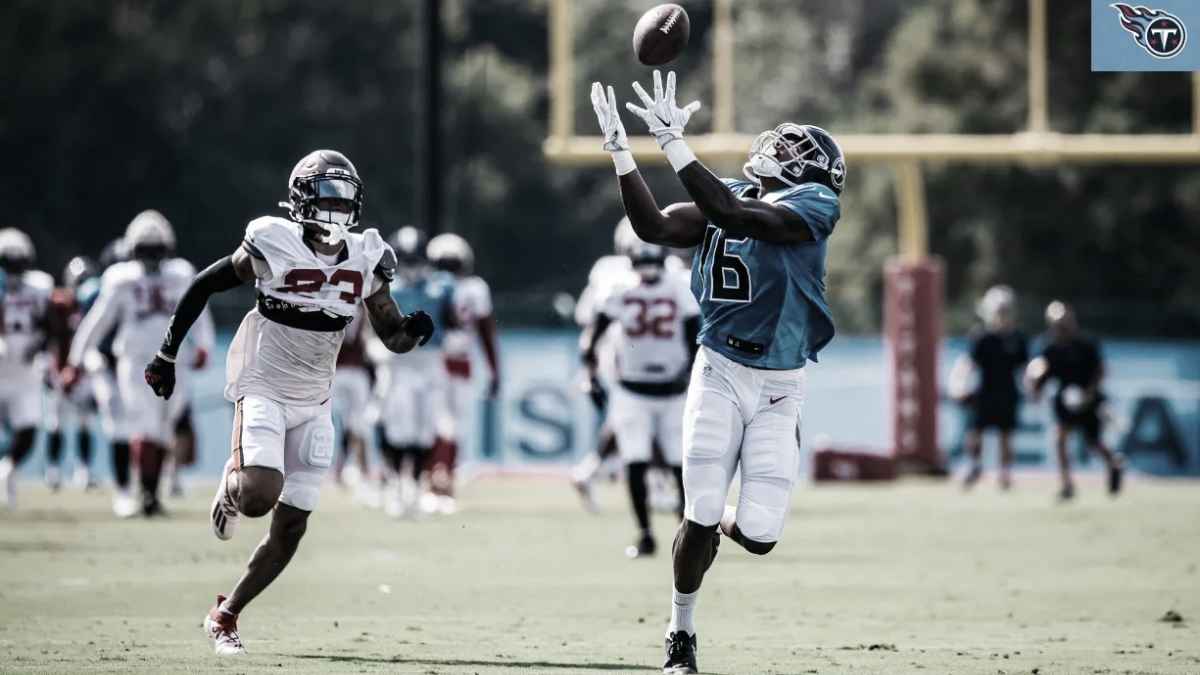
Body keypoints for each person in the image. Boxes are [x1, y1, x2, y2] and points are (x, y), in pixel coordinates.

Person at [590, 70, 844, 673]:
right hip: (719, 369)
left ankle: (718, 520)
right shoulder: (723, 194)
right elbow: (653, 227)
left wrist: (675, 143)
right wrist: (623, 154)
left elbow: (736, 214)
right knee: (699, 511)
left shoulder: (815, 205)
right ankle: (681, 630)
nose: (782, 153)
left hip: (781, 385)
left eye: (797, 152)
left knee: (757, 533)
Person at [141, 149, 434, 656]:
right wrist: (166, 354)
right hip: (264, 386)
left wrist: (413, 334)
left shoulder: (367, 254)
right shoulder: (272, 241)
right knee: (258, 495)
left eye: (345, 197)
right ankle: (232, 488)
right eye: (327, 195)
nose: (337, 208)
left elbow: (390, 335)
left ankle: (225, 613)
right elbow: (203, 285)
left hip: (316, 399)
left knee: (292, 525)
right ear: (301, 198)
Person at [65, 210, 214, 517]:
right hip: (135, 363)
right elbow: (98, 322)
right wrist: (76, 360)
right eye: (145, 250)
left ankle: (150, 493)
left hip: (175, 362)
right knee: (145, 428)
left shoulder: (181, 273)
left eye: (155, 249)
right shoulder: (120, 278)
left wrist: (204, 346)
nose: (150, 257)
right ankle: (146, 493)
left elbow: (197, 311)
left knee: (163, 430)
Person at [582, 238, 699, 558]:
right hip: (641, 388)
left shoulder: (620, 286)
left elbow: (593, 335)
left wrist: (589, 370)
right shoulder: (677, 284)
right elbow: (694, 334)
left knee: (668, 461)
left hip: (655, 388)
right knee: (646, 460)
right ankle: (654, 532)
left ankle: (667, 532)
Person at [372, 226, 456, 517]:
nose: (411, 267)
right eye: (406, 260)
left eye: (415, 260)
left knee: (425, 428)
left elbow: (452, 321)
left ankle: (418, 485)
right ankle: (396, 484)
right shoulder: (386, 287)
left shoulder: (441, 286)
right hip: (398, 362)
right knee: (397, 425)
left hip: (430, 361)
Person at [570, 219, 640, 512]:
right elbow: (590, 316)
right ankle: (591, 470)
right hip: (622, 353)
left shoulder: (606, 269)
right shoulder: (614, 272)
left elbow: (583, 314)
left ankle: (593, 471)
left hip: (614, 352)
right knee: (633, 416)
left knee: (628, 418)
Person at [426, 232, 499, 509]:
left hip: (434, 360)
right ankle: (445, 478)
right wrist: (494, 371)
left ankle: (435, 477)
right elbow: (486, 332)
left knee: (438, 423)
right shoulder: (475, 288)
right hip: (460, 361)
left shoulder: (431, 286)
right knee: (453, 424)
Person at [1026, 300, 1124, 500]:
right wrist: (1035, 386)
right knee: (1060, 439)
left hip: (1089, 399)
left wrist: (1089, 393)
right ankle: (1067, 484)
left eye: (1064, 323)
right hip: (1064, 399)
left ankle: (1114, 463)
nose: (1060, 328)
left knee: (1093, 442)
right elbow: (1040, 373)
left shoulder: (1086, 344)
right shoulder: (1048, 347)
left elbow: (1100, 370)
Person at [949, 285, 1028, 490]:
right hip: (985, 392)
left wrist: (1033, 387)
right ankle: (975, 467)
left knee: (1006, 435)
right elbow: (969, 363)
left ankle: (1005, 474)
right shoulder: (982, 337)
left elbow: (1025, 368)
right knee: (975, 433)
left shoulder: (1018, 338)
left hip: (1008, 392)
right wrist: (959, 385)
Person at [0, 228, 54, 509]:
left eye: (18, 264)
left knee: (29, 430)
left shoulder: (40, 286)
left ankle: (7, 469)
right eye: (8, 264)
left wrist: (43, 353)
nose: (14, 271)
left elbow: (49, 326)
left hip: (24, 371)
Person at [44, 255, 102, 491]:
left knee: (84, 422)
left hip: (84, 372)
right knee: (56, 422)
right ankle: (54, 471)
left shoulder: (97, 303)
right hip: (60, 369)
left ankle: (83, 470)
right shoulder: (58, 305)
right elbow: (49, 336)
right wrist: (49, 368)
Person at [331, 309, 374, 500]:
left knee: (355, 425)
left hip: (346, 371)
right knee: (353, 425)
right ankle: (359, 470)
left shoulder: (341, 302)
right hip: (346, 371)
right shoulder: (359, 307)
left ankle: (354, 470)